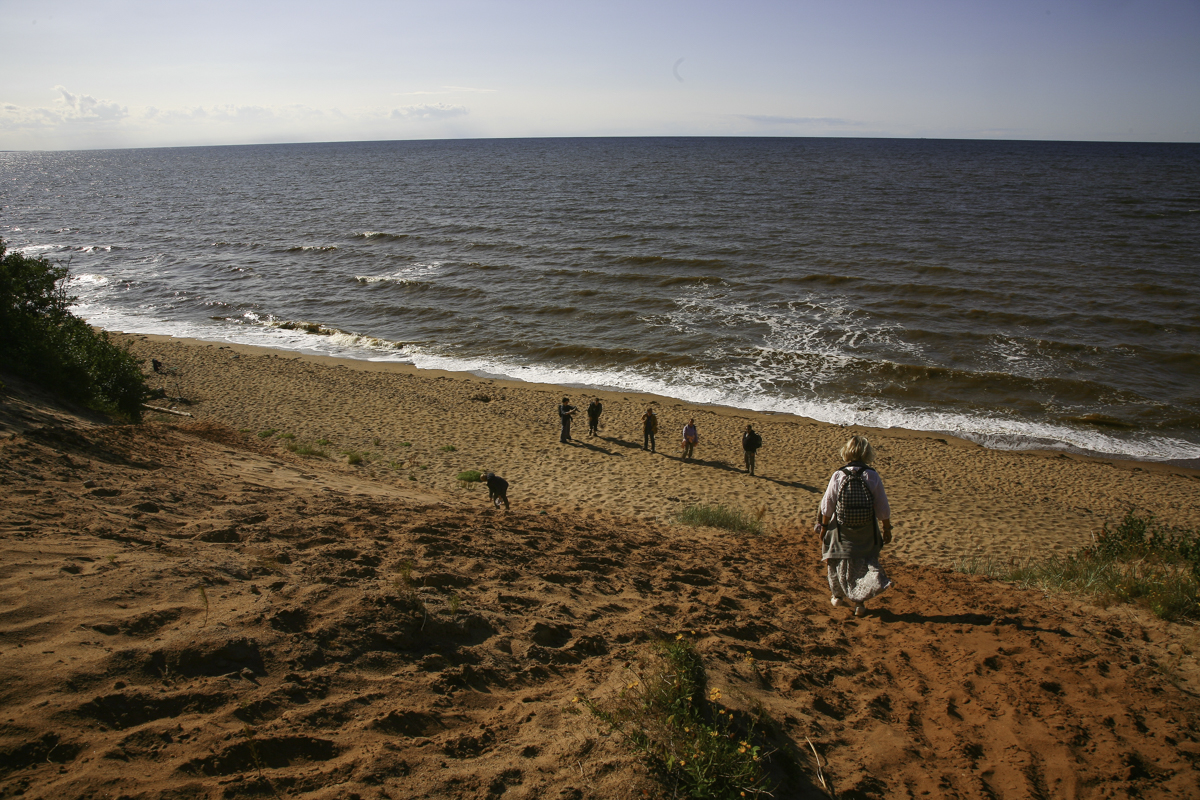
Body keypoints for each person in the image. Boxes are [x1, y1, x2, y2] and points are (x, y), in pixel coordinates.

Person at [814, 435, 894, 617]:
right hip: (866, 529)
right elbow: (882, 507)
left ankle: (838, 596)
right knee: (862, 564)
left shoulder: (839, 475)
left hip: (841, 529)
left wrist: (824, 528)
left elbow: (827, 505)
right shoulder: (871, 475)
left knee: (836, 560)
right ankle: (860, 602)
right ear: (867, 453)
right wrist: (886, 528)